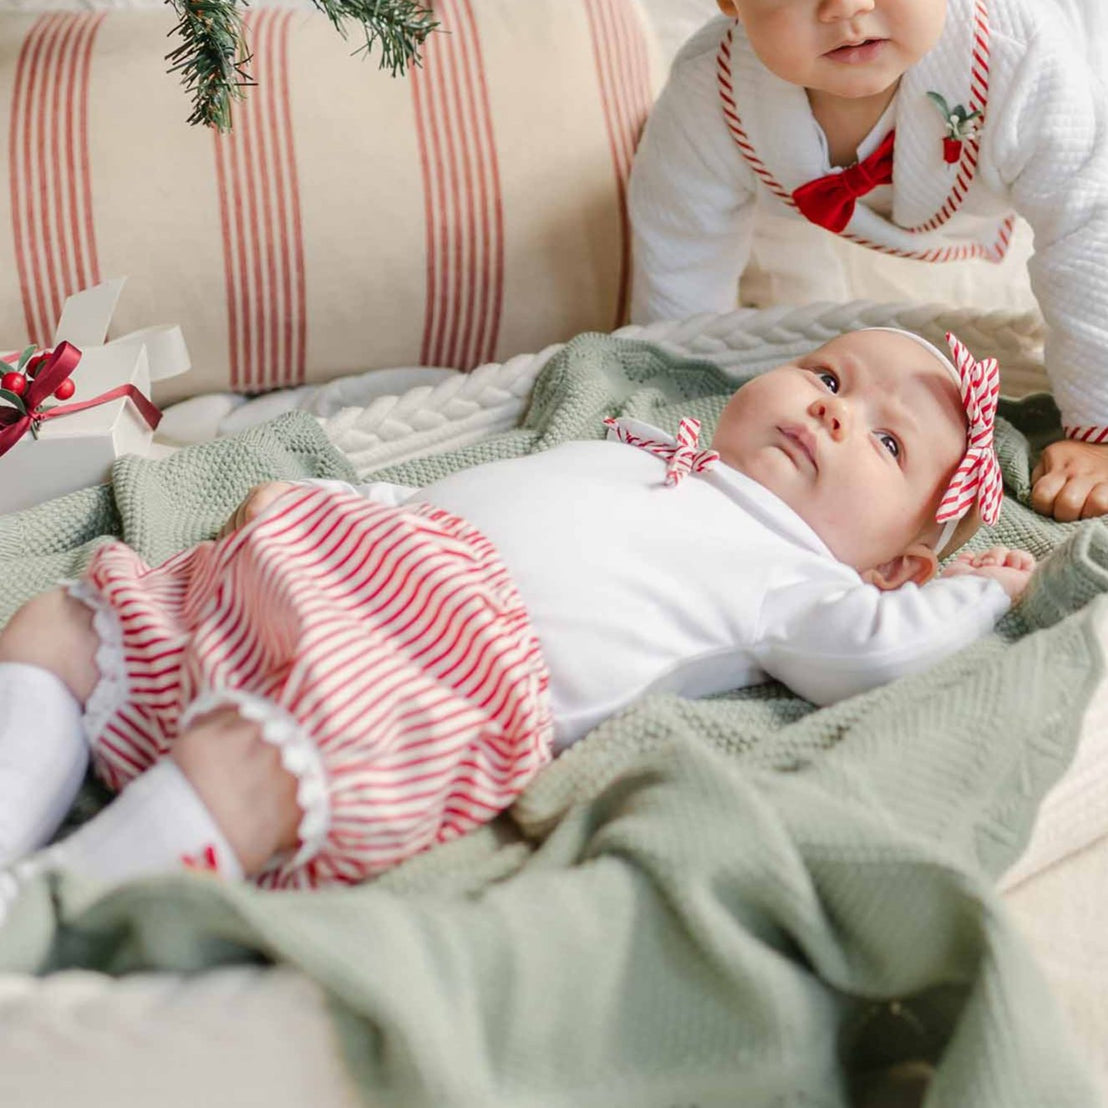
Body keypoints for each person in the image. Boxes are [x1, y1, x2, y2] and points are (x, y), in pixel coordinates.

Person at [0, 327, 1033, 908]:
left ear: (894, 565)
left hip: (439, 665)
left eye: (887, 444)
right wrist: (344, 505)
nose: (833, 410)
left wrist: (978, 590)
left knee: (249, 761)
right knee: (61, 625)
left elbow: (877, 654)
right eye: (825, 374)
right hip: (335, 564)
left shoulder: (805, 584)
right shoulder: (640, 448)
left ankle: (48, 907)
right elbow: (483, 502)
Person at [628, 0, 1108, 523]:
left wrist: (1098, 433)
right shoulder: (710, 94)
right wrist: (673, 388)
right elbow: (679, 255)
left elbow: (1088, 236)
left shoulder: (1023, 62)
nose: (847, 7)